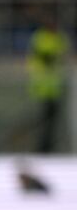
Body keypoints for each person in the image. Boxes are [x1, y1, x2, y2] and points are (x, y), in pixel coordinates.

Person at [26, 15, 69, 153]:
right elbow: (41, 55)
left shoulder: (59, 37)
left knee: (53, 121)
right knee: (41, 120)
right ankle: (41, 148)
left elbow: (63, 55)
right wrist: (52, 57)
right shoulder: (40, 37)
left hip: (55, 86)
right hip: (41, 86)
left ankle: (49, 147)